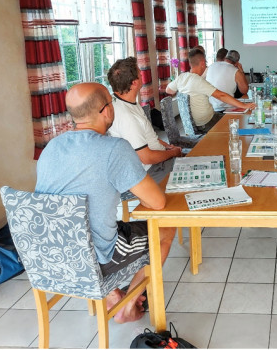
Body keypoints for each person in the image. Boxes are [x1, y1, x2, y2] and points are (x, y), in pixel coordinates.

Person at [35, 82, 175, 323]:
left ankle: (110, 292)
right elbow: (157, 202)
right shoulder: (114, 148)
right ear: (106, 110)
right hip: (95, 257)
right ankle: (128, 305)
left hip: (49, 253)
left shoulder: (52, 146)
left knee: (103, 224)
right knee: (165, 229)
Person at [107, 57, 182, 185]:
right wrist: (173, 153)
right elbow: (147, 158)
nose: (142, 75)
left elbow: (147, 136)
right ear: (134, 83)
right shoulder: (127, 117)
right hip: (151, 170)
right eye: (140, 73)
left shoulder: (124, 102)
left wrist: (168, 147)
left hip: (156, 161)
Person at [166, 47, 254, 132]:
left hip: (194, 123)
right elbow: (221, 95)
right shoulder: (199, 81)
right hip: (207, 122)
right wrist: (244, 105)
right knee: (238, 123)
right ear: (202, 63)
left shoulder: (181, 77)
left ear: (190, 64)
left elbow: (169, 90)